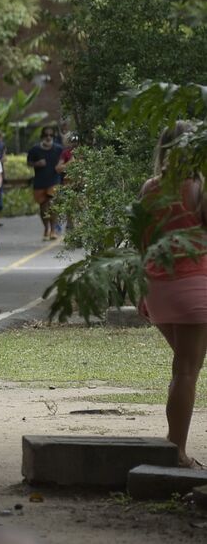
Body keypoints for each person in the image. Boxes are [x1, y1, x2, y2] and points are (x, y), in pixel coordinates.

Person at [138, 121, 207, 469]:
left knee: (182, 369)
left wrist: (141, 293)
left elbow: (143, 243)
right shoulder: (199, 189)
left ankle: (173, 445)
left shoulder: (149, 189)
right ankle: (176, 452)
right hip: (195, 286)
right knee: (186, 372)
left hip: (158, 289)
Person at [27, 126, 63, 241]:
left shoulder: (58, 149)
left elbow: (64, 161)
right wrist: (37, 164)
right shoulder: (35, 150)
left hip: (54, 180)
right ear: (42, 136)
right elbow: (29, 162)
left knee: (52, 204)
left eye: (51, 135)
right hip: (40, 181)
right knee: (43, 208)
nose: (48, 137)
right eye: (46, 135)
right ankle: (46, 228)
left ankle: (53, 230)